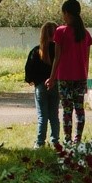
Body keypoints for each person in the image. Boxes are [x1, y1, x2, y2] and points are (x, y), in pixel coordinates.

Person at [49, 0, 92, 145]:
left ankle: (67, 140)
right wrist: (85, 80)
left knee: (67, 110)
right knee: (79, 110)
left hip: (64, 78)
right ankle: (78, 139)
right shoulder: (86, 34)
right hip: (81, 78)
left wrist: (52, 78)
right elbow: (86, 61)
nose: (63, 17)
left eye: (63, 14)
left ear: (67, 13)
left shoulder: (60, 31)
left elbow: (57, 57)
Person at [25, 19, 59, 147]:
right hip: (56, 84)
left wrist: (32, 80)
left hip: (40, 86)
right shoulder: (58, 50)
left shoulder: (36, 51)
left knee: (42, 116)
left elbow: (29, 69)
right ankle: (55, 141)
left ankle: (40, 142)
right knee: (54, 115)